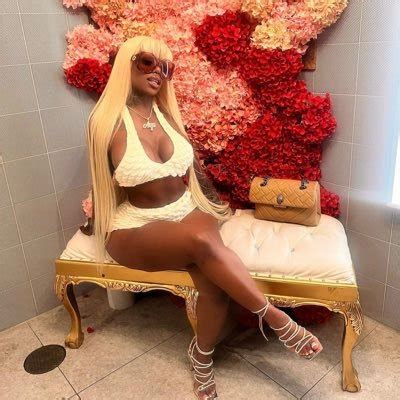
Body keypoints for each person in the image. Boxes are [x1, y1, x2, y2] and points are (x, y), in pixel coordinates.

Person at [86, 35, 323, 400]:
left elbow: (195, 173)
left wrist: (217, 207)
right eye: (148, 62)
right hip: (136, 225)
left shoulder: (167, 116)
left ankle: (201, 357)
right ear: (125, 64)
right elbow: (101, 184)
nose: (158, 72)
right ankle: (277, 319)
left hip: (186, 210)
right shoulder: (104, 122)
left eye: (166, 67)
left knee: (214, 285)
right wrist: (91, 222)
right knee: (200, 242)